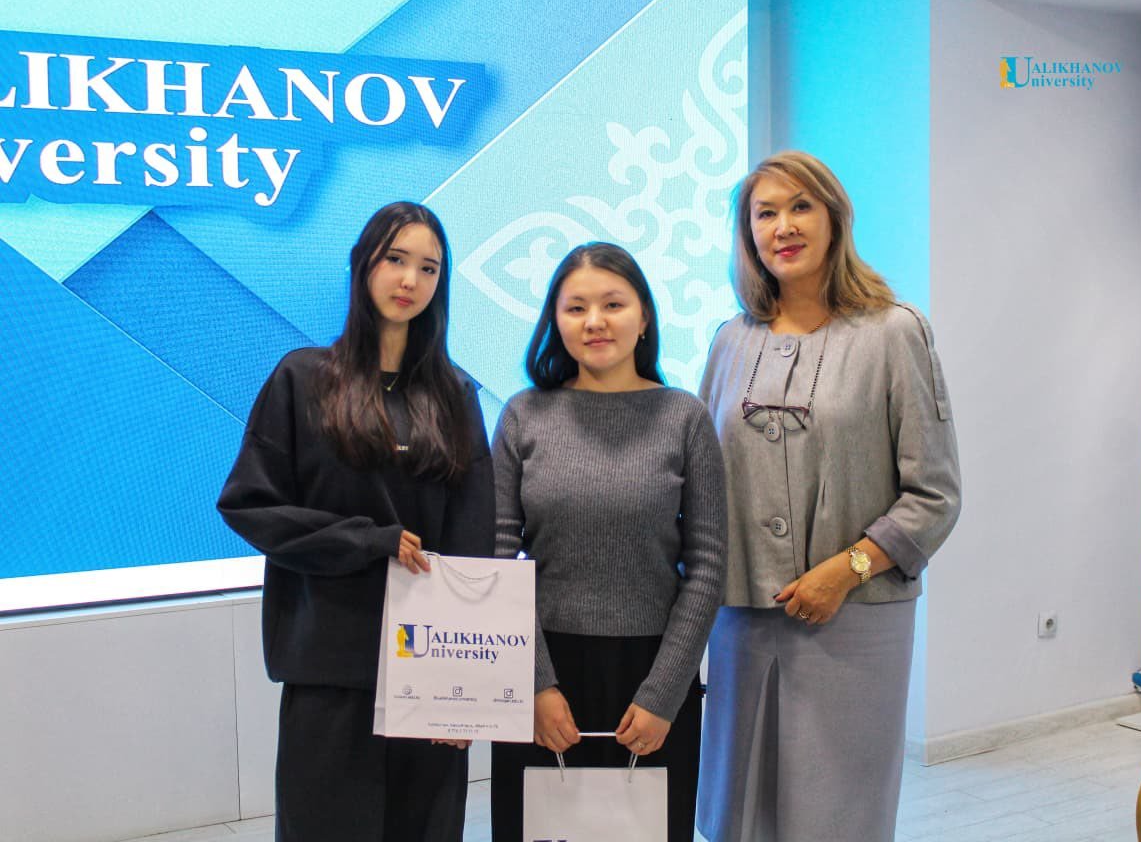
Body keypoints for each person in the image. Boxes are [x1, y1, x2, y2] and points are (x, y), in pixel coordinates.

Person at [696, 152, 961, 842]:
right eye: (765, 213)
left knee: (838, 816)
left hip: (855, 620)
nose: (783, 226)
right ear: (747, 233)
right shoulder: (729, 341)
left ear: (834, 218)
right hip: (741, 618)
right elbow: (699, 480)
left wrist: (847, 570)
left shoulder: (894, 332)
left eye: (800, 206)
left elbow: (934, 494)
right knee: (737, 812)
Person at [216, 202, 495, 842]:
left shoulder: (456, 396)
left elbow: (475, 545)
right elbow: (248, 504)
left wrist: (468, 691)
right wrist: (367, 541)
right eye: (395, 259)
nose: (410, 280)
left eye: (429, 267)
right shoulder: (302, 379)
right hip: (330, 665)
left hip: (429, 671)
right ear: (363, 264)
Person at [488, 242, 727, 842]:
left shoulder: (684, 418)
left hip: (654, 675)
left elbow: (706, 567)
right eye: (576, 308)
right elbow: (497, 557)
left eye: (613, 304)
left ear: (643, 316)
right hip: (541, 671)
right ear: (555, 321)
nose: (594, 321)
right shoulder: (522, 416)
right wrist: (535, 685)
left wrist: (664, 693)